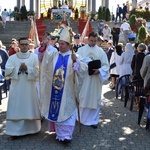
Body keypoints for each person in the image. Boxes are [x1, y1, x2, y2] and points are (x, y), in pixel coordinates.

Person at [39, 28, 87, 143]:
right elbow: (44, 60)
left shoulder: (74, 56)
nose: (60, 46)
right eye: (59, 43)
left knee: (67, 112)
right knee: (57, 110)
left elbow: (83, 70)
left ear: (68, 45)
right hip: (55, 90)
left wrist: (77, 63)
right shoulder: (54, 55)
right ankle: (59, 133)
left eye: (63, 44)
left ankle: (66, 136)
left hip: (67, 91)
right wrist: (44, 46)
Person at [5, 37, 41, 138]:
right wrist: (18, 69)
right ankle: (15, 132)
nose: (24, 46)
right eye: (22, 44)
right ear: (19, 45)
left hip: (29, 88)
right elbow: (7, 72)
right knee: (17, 107)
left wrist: (28, 69)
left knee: (29, 106)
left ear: (28, 45)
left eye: (26, 44)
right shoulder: (12, 58)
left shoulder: (34, 57)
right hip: (17, 88)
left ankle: (31, 129)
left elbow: (38, 72)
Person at [77, 32, 110, 128]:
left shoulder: (101, 52)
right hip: (84, 79)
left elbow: (106, 66)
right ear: (88, 40)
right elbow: (76, 63)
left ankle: (93, 121)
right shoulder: (81, 50)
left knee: (94, 99)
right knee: (83, 97)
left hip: (95, 80)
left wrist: (99, 71)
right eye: (91, 40)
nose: (93, 42)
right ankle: (81, 119)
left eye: (95, 41)